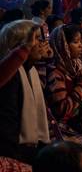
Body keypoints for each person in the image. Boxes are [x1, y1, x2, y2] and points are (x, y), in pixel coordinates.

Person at [0, 20, 52, 163]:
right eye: (37, 39)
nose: (42, 44)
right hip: (14, 153)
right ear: (20, 44)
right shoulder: (11, 76)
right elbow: (7, 127)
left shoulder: (30, 70)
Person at [47, 24, 82, 122]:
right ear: (63, 45)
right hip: (63, 126)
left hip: (79, 120)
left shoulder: (75, 67)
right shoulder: (55, 73)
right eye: (76, 42)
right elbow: (63, 110)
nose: (81, 45)